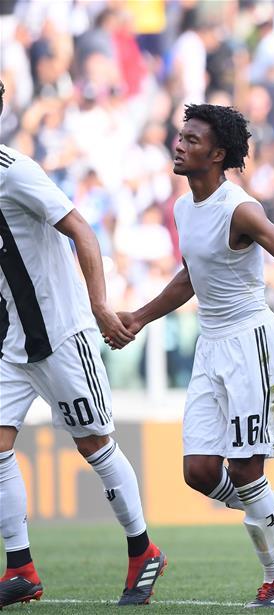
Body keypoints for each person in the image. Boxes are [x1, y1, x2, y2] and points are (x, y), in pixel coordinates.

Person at [113, 103, 274, 608]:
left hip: (250, 343)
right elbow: (192, 276)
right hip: (210, 346)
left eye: (192, 140)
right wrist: (139, 317)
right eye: (181, 136)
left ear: (218, 154)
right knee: (200, 472)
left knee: (247, 472)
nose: (180, 145)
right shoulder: (184, 209)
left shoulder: (240, 208)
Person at [0, 79, 165, 608]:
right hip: (14, 341)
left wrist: (99, 307)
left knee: (94, 444)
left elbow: (83, 231)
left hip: (62, 333)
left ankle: (143, 551)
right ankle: (20, 568)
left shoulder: (14, 172)